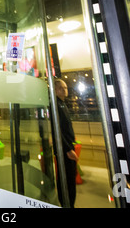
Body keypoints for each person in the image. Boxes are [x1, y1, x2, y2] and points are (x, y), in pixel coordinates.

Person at [52, 78, 78, 208]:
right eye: (61, 88)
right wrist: (68, 149)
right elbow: (57, 130)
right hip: (65, 149)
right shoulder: (56, 105)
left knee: (70, 179)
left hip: (67, 147)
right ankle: (67, 204)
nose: (65, 90)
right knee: (67, 181)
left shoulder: (62, 104)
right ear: (55, 89)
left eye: (66, 88)